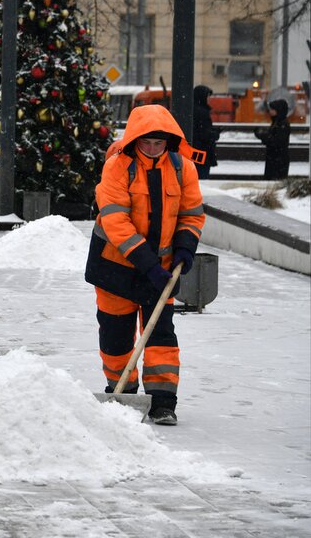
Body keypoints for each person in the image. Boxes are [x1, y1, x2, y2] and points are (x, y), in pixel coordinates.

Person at [85, 104, 206, 426]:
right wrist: (146, 263)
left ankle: (163, 400)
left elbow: (192, 213)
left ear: (169, 141)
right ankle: (121, 388)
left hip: (163, 270)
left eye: (159, 143)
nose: (153, 149)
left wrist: (185, 248)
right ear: (134, 140)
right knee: (116, 336)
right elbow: (115, 219)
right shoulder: (117, 166)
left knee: (161, 336)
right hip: (115, 266)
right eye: (146, 142)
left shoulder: (183, 168)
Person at [255, 99, 291, 180]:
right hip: (274, 158)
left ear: (278, 110)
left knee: (275, 182)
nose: (270, 111)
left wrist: (263, 136)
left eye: (272, 109)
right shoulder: (277, 122)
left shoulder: (282, 124)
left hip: (278, 160)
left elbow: (277, 141)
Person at [192, 85, 219, 179]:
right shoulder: (203, 113)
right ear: (202, 97)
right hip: (201, 154)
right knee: (201, 179)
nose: (209, 99)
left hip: (193, 153)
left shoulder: (191, 110)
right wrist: (215, 134)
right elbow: (205, 134)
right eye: (208, 97)